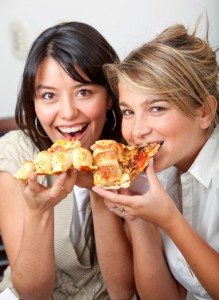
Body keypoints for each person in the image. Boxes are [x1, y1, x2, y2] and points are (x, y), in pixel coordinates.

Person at [0, 21, 136, 300]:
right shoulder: (17, 154)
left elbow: (123, 292)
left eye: (83, 92)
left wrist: (99, 189)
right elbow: (32, 293)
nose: (68, 113)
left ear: (109, 96)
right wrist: (39, 211)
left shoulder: (130, 157)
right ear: (34, 102)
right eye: (49, 95)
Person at [92, 20, 219, 299]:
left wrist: (170, 220)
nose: (137, 131)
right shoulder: (158, 173)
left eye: (157, 108)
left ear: (204, 112)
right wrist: (138, 218)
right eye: (128, 112)